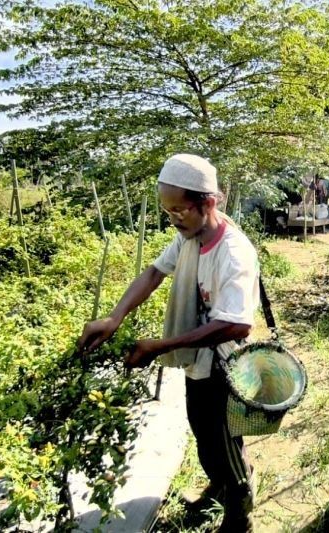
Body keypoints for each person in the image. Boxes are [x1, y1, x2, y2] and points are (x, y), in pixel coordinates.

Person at [76, 154, 260, 532]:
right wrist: (115, 316)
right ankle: (219, 485)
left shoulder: (233, 252)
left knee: (226, 440)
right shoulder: (188, 238)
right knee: (202, 429)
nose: (173, 218)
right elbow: (154, 273)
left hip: (227, 366)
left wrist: (159, 346)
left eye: (180, 210)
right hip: (199, 361)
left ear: (209, 203)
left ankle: (240, 511)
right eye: (168, 210)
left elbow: (237, 325)